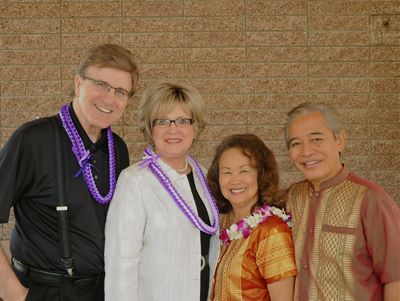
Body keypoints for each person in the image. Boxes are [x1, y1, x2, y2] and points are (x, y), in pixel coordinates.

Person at [0, 43, 139, 301]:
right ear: (78, 84)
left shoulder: (118, 148)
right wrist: (13, 292)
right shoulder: (32, 140)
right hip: (44, 291)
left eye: (121, 91)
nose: (110, 99)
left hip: (103, 291)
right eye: (101, 85)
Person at [104, 82, 220, 301]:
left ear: (195, 128)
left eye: (183, 121)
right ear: (150, 129)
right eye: (162, 121)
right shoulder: (135, 180)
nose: (173, 129)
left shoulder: (204, 176)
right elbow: (121, 264)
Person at [283, 102, 400, 301]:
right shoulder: (290, 197)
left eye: (316, 139)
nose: (306, 151)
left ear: (339, 141)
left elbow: (395, 278)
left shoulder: (371, 200)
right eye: (296, 143)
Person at [207, 133, 297, 301]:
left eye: (244, 171)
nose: (235, 180)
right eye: (227, 172)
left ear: (261, 174)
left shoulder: (272, 231)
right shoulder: (218, 223)